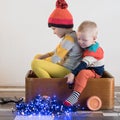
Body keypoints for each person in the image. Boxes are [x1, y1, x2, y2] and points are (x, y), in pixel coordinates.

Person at [31, 0, 82, 78]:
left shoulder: (69, 39)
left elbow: (55, 59)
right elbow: (55, 52)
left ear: (62, 26)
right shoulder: (68, 37)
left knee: (35, 63)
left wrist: (42, 61)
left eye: (54, 29)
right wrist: (43, 56)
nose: (54, 32)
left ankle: (50, 87)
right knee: (37, 57)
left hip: (68, 71)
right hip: (63, 66)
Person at [63, 20, 104, 106]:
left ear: (94, 38)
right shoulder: (86, 45)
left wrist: (73, 73)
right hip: (87, 67)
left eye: (84, 40)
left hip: (95, 71)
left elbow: (83, 65)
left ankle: (75, 95)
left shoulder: (95, 50)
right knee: (76, 68)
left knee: (82, 73)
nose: (81, 42)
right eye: (79, 39)